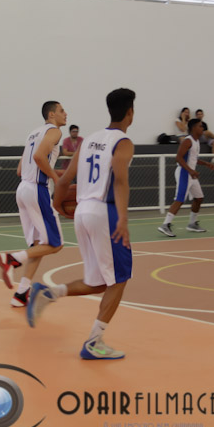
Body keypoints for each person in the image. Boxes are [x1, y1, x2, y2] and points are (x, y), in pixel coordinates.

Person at [27, 88, 136, 361]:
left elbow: (64, 180)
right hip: (104, 212)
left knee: (98, 282)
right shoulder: (123, 142)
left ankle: (49, 293)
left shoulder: (90, 140)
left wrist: (57, 204)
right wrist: (123, 218)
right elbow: (120, 181)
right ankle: (94, 342)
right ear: (130, 112)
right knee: (120, 279)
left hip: (83, 211)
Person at [0, 101, 68, 307]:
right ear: (51, 114)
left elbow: (20, 169)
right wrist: (56, 178)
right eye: (62, 110)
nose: (66, 113)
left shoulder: (33, 134)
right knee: (55, 244)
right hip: (37, 190)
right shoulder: (54, 132)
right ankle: (13, 258)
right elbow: (38, 157)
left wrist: (53, 172)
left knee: (39, 245)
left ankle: (21, 293)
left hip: (23, 189)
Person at [158, 118, 214, 237]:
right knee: (179, 199)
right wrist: (190, 171)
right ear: (193, 128)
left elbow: (193, 159)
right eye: (200, 126)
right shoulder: (187, 141)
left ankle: (192, 223)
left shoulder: (196, 141)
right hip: (184, 173)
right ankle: (165, 224)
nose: (202, 128)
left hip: (191, 174)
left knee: (199, 198)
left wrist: (206, 163)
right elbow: (178, 158)